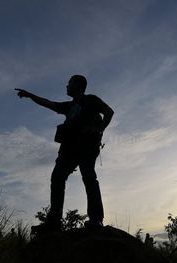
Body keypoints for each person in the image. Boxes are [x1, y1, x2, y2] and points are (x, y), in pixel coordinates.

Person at [15, 75, 114, 231]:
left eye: (69, 83)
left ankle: (96, 219)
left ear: (78, 85)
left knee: (88, 176)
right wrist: (30, 95)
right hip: (69, 148)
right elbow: (48, 103)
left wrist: (98, 129)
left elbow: (109, 112)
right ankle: (54, 221)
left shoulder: (91, 100)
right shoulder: (68, 106)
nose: (66, 86)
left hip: (87, 145)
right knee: (57, 177)